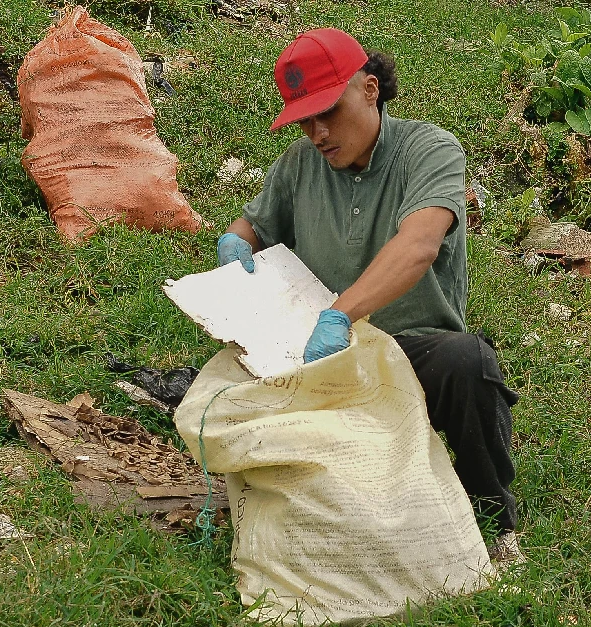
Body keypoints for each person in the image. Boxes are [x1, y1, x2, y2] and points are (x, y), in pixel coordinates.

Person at [218, 28, 522, 560]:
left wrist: (339, 316)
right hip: (314, 359)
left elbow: (419, 245)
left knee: (468, 361)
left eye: (327, 112)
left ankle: (494, 519)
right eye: (304, 120)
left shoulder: (429, 150)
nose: (317, 133)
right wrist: (235, 244)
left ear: (370, 89)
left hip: (407, 351)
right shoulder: (299, 164)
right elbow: (254, 225)